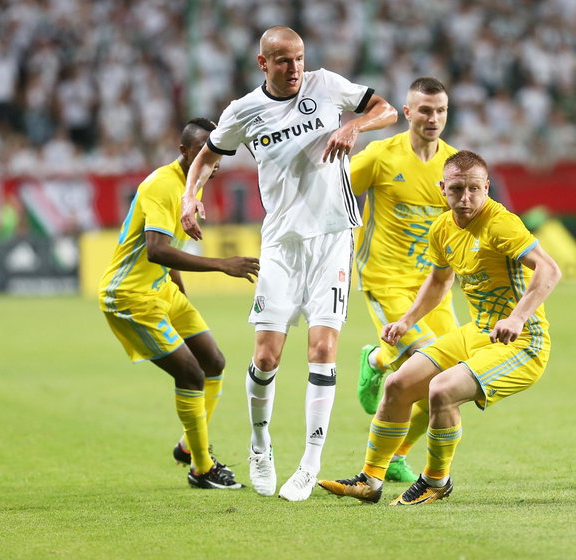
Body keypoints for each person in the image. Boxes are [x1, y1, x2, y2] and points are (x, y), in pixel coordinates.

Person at [181, 26, 397, 502]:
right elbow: (206, 156)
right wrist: (188, 197)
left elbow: (387, 109)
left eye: (299, 58)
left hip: (334, 237)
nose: (295, 68)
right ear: (263, 64)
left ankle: (310, 463)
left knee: (322, 350)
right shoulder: (243, 111)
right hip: (281, 244)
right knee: (266, 356)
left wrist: (353, 125)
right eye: (283, 61)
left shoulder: (326, 85)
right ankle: (260, 446)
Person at [318, 150, 561, 505]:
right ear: (442, 188)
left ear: (487, 187)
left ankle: (436, 481)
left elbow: (549, 269)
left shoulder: (500, 223)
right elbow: (438, 281)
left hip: (523, 342)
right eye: (457, 189)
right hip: (477, 332)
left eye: (474, 189)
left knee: (441, 390)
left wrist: (517, 317)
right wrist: (406, 321)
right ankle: (369, 481)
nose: (466, 198)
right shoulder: (443, 227)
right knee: (398, 384)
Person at [99, 118, 259, 490]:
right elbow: (157, 249)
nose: (213, 160)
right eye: (205, 151)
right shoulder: (162, 185)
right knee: (191, 375)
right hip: (130, 297)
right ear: (185, 151)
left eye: (217, 153)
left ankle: (189, 446)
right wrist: (222, 265)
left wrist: (179, 293)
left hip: (162, 289)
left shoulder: (192, 185)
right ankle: (202, 468)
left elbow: (171, 248)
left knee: (214, 362)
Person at [351, 77, 459, 483]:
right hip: (385, 277)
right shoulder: (380, 156)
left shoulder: (453, 167)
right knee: (429, 364)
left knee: (451, 381)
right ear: (408, 112)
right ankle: (381, 360)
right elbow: (337, 193)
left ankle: (377, 362)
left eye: (441, 110)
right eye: (426, 110)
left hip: (435, 286)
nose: (434, 118)